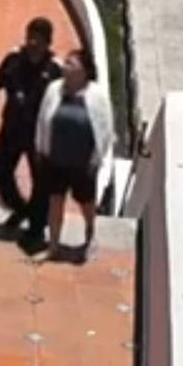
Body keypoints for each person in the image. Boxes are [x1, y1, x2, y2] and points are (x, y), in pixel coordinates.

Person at [0, 18, 63, 242]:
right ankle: (21, 210)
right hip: (11, 128)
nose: (32, 43)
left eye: (37, 40)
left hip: (39, 136)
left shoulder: (55, 70)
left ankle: (37, 226)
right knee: (1, 173)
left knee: (41, 183)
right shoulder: (14, 59)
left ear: (48, 43)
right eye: (29, 37)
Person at [35, 49, 114, 261]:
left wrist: (98, 158)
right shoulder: (54, 89)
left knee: (86, 201)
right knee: (55, 201)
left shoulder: (97, 95)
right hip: (56, 159)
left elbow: (105, 128)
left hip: (83, 162)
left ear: (84, 70)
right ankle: (53, 246)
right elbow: (43, 119)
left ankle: (90, 232)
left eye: (71, 63)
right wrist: (41, 149)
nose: (65, 67)